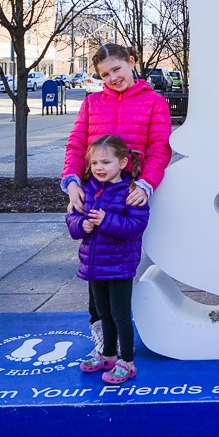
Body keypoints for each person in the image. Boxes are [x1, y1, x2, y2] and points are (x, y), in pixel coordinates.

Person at [61, 43, 172, 353]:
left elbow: (159, 148)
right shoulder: (92, 104)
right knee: (95, 264)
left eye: (117, 69)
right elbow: (75, 147)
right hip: (92, 193)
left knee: (120, 263)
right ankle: (101, 335)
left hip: (127, 196)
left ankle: (122, 337)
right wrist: (71, 183)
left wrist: (146, 183)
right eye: (104, 74)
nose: (112, 77)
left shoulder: (154, 102)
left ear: (131, 62)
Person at [66, 135, 149, 383]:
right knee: (103, 313)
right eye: (94, 163)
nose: (99, 168)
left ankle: (127, 361)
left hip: (120, 265)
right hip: (93, 265)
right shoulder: (88, 189)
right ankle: (108, 355)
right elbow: (72, 221)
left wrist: (106, 220)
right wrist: (83, 225)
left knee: (120, 314)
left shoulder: (131, 191)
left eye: (106, 162)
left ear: (123, 162)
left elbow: (136, 226)